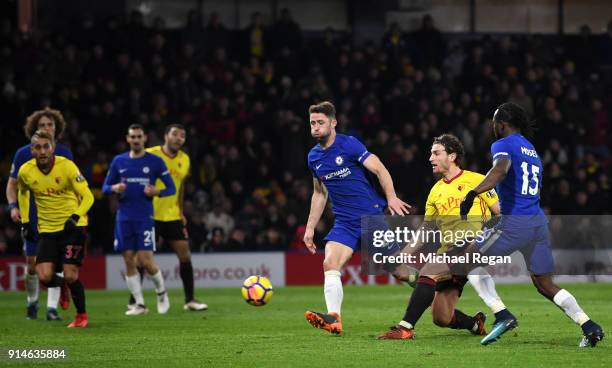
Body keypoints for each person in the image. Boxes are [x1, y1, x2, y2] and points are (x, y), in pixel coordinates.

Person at [457, 102, 604, 347]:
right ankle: (589, 325)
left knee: (468, 259)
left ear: (502, 124)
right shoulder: (531, 150)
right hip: (537, 223)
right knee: (544, 284)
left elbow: (500, 170)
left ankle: (502, 315)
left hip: (516, 222)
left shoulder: (502, 144)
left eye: (494, 122)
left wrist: (473, 193)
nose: (492, 126)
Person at [378, 134, 509, 339]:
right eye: (431, 153)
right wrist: (402, 255)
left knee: (429, 271)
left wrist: (489, 237)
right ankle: (475, 324)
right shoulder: (435, 191)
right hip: (449, 252)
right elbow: (427, 229)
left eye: (436, 153)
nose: (430, 158)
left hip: (472, 247)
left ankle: (405, 328)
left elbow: (500, 212)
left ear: (452, 156)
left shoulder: (477, 180)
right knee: (441, 317)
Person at [303, 101, 411, 334]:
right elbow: (319, 193)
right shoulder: (313, 157)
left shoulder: (349, 145)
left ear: (333, 123)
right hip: (344, 223)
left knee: (400, 272)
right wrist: (310, 227)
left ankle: (430, 285)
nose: (316, 127)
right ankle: (334, 318)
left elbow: (379, 169)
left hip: (371, 218)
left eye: (320, 122)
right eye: (312, 123)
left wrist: (391, 197)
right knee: (330, 263)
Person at [17, 130, 94, 328]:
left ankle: (81, 316)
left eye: (46, 146)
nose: (42, 151)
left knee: (70, 274)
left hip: (73, 228)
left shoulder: (66, 166)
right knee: (43, 275)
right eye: (38, 147)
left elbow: (88, 196)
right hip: (47, 230)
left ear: (53, 148)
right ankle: (63, 287)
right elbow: (23, 192)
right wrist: (25, 222)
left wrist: (75, 216)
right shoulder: (25, 171)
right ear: (32, 150)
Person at [6, 108, 73, 321]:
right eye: (43, 125)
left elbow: (73, 185)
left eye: (50, 125)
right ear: (35, 129)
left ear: (57, 128)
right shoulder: (23, 153)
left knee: (56, 262)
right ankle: (32, 301)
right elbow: (12, 185)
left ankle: (51, 309)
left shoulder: (64, 153)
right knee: (32, 265)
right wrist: (13, 206)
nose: (47, 128)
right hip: (32, 215)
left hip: (58, 216)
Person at [103, 124, 176, 316]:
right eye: (132, 137)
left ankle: (162, 294)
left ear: (145, 139)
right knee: (128, 259)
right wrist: (114, 188)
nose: (136, 140)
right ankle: (140, 304)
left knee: (145, 261)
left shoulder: (155, 162)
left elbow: (171, 188)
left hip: (144, 217)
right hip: (124, 217)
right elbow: (104, 187)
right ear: (128, 139)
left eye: (139, 137)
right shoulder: (118, 161)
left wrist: (157, 191)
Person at [135, 123, 207, 311]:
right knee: (141, 260)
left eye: (182, 136)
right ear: (166, 136)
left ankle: (190, 300)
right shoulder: (150, 154)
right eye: (175, 134)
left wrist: (181, 211)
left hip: (172, 215)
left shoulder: (185, 159)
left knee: (185, 255)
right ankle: (136, 303)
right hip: (149, 214)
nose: (179, 138)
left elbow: (180, 187)